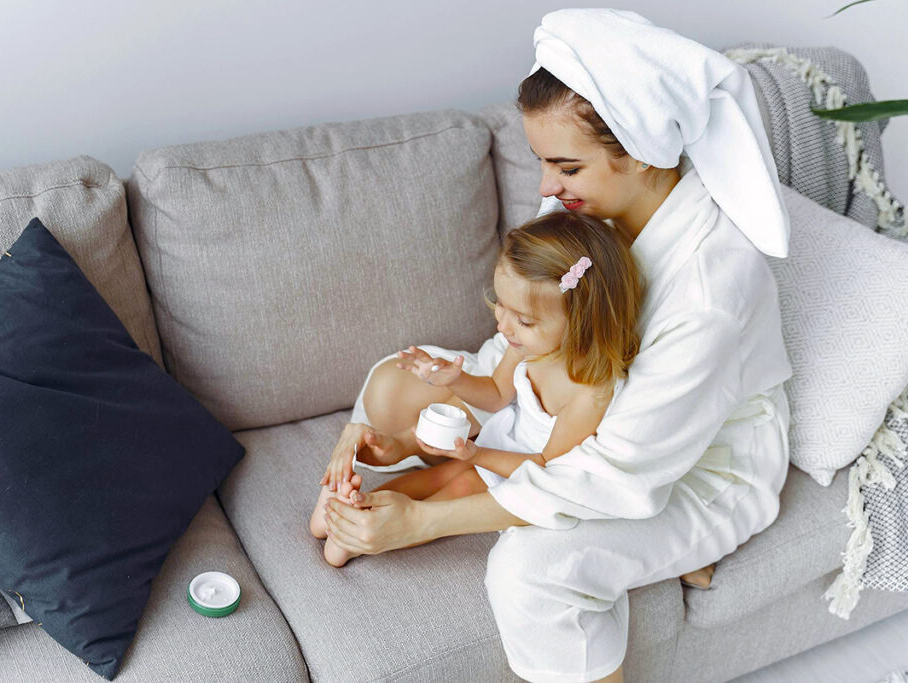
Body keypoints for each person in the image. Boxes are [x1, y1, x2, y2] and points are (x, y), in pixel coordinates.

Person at [323, 8, 793, 683]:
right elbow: (515, 352)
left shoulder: (710, 288)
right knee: (402, 378)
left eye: (564, 164)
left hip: (685, 468)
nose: (545, 186)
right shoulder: (585, 218)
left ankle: (684, 545)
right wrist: (372, 424)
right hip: (564, 403)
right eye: (542, 162)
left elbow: (611, 471)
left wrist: (424, 523)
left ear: (639, 152)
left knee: (529, 571)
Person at [309, 210, 644, 567]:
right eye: (501, 305)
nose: (503, 325)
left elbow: (545, 466)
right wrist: (455, 380)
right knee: (436, 475)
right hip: (491, 444)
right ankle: (349, 510)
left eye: (524, 320)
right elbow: (496, 395)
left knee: (461, 487)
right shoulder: (530, 348)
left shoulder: (589, 393)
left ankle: (359, 536)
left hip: (515, 471)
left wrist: (477, 457)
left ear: (584, 322)